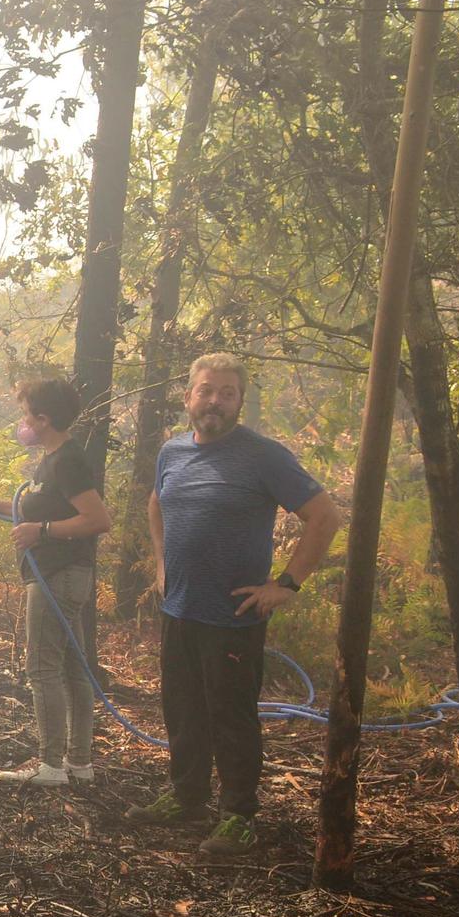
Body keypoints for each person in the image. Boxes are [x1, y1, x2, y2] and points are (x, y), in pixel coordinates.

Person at [126, 353, 342, 856]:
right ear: (189, 396)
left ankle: (239, 817)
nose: (215, 401)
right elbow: (156, 504)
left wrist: (287, 584)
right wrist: (161, 566)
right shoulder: (172, 453)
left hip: (234, 615)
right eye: (206, 390)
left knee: (231, 715)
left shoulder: (263, 456)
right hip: (179, 607)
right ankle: (187, 797)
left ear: (239, 401)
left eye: (226, 393)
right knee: (182, 709)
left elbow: (324, 517)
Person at [0, 378, 112, 785]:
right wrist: (1, 505)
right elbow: (46, 505)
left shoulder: (67, 459)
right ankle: (79, 764)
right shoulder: (53, 458)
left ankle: (51, 766)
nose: (23, 421)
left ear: (44, 418)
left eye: (26, 413)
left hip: (58, 577)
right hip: (62, 576)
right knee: (73, 669)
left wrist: (43, 531)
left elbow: (97, 520)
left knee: (42, 669)